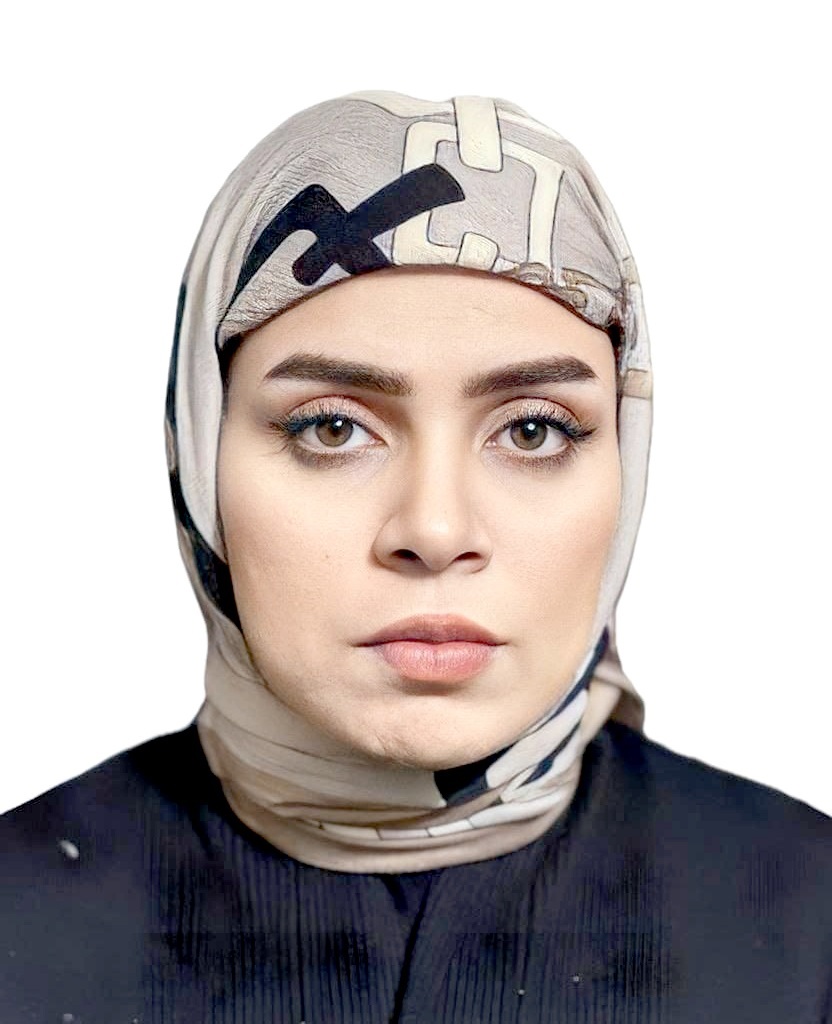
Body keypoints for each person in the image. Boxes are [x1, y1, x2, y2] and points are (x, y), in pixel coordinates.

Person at [2, 91, 830, 1022]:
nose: (435, 531)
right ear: (199, 455)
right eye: (330, 427)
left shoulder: (810, 923)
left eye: (532, 430)